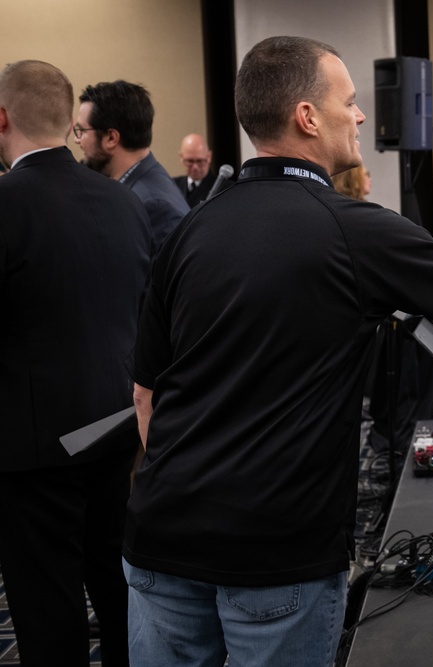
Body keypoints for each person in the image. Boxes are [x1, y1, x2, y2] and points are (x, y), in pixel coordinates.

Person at [123, 35, 433, 667]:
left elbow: (146, 393)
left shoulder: (190, 230)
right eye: (348, 103)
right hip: (277, 554)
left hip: (160, 539)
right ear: (306, 117)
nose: (359, 116)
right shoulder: (352, 229)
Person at [0, 59, 151, 666]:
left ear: (2, 118)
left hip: (34, 451)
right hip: (115, 429)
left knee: (47, 610)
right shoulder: (123, 201)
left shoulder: (7, 202)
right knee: (118, 592)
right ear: (68, 123)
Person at [75, 79, 189, 253]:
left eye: (82, 131)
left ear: (111, 138)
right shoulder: (137, 188)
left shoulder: (153, 206)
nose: (77, 140)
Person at [173, 132, 233, 207]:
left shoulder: (225, 188)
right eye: (190, 161)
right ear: (181, 157)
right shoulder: (172, 185)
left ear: (209, 157)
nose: (195, 167)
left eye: (200, 161)